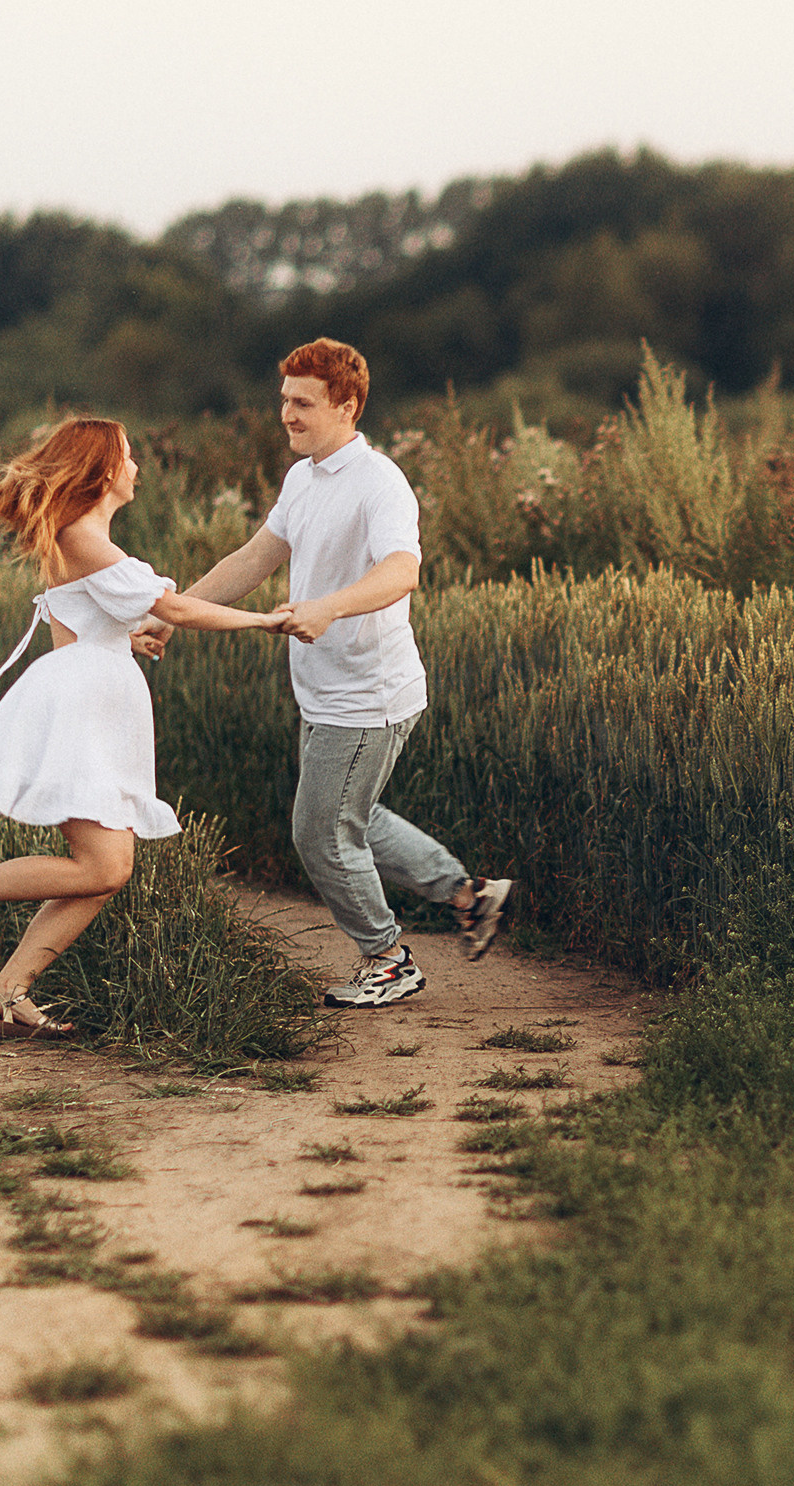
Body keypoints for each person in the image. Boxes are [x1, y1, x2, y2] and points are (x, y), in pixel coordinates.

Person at [138, 338, 511, 1008]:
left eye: (303, 402)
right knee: (351, 817)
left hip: (370, 695)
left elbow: (404, 571)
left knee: (320, 831)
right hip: (325, 690)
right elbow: (255, 558)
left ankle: (388, 959)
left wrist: (330, 608)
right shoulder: (303, 477)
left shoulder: (379, 482)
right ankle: (470, 895)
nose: (287, 414)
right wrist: (177, 612)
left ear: (347, 405)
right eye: (284, 400)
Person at [0, 417, 285, 1037]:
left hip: (96, 707)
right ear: (106, 472)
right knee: (103, 867)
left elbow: (80, 626)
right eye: (130, 458)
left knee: (105, 868)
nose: (137, 468)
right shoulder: (83, 536)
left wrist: (122, 636)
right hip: (83, 714)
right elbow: (179, 608)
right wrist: (265, 622)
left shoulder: (80, 540)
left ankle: (6, 992)